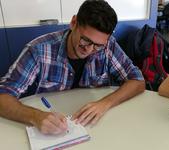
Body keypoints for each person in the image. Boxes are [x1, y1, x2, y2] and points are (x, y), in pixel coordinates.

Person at [0, 0, 145, 135]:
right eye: (85, 40)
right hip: (55, 129)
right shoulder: (39, 50)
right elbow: (3, 96)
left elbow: (137, 80)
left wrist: (105, 103)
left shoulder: (108, 46)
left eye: (98, 45)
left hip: (95, 128)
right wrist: (36, 117)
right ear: (73, 22)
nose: (89, 49)